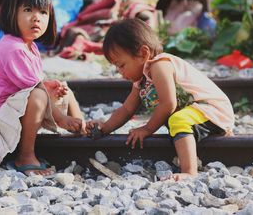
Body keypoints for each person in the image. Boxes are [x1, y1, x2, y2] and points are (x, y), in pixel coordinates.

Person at [86, 19, 234, 181]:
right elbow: (127, 109)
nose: (119, 71)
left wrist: (147, 129)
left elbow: (168, 104)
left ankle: (190, 172)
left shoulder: (160, 65)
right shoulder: (141, 81)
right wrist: (105, 127)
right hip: (198, 115)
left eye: (121, 65)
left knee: (178, 119)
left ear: (143, 53)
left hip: (211, 108)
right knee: (178, 121)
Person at [0, 0, 84, 175]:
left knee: (62, 90)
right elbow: (34, 90)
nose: (36, 18)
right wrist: (60, 118)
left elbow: (29, 85)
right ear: (11, 13)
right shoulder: (12, 47)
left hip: (12, 114)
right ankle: (25, 156)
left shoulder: (29, 47)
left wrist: (50, 88)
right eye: (28, 10)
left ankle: (81, 125)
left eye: (43, 12)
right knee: (39, 96)